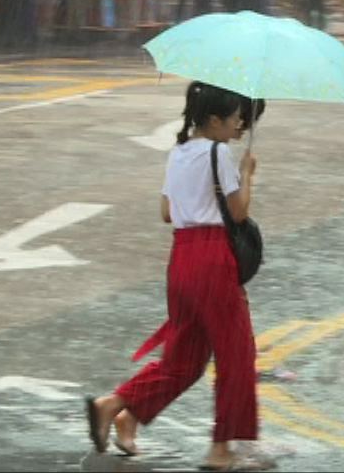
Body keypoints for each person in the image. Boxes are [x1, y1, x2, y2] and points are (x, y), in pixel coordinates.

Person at [85, 82, 260, 470]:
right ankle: (221, 450)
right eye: (235, 119)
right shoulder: (219, 153)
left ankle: (117, 406)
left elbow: (167, 212)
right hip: (213, 258)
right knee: (236, 356)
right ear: (213, 120)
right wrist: (246, 174)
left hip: (182, 258)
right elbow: (238, 213)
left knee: (185, 358)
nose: (239, 126)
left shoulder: (179, 152)